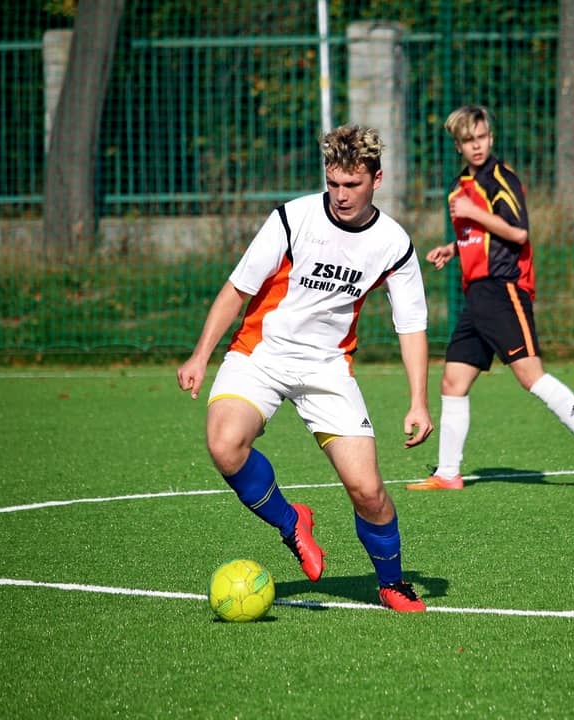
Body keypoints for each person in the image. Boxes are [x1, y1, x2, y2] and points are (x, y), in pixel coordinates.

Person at [177, 125, 434, 612]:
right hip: (260, 355)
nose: (340, 195)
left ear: (377, 179)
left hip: (328, 369)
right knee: (224, 444)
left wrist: (418, 401)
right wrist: (200, 354)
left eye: (352, 184)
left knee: (367, 490)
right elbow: (237, 289)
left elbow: (411, 326)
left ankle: (392, 583)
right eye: (332, 183)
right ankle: (291, 522)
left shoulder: (393, 243)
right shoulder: (292, 219)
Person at [406, 104, 574, 491]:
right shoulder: (458, 185)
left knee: (530, 375)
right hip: (477, 294)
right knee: (453, 381)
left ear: (491, 137)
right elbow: (480, 236)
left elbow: (518, 233)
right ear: (458, 145)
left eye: (482, 137)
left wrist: (473, 212)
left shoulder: (501, 178)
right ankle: (448, 473)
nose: (477, 146)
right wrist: (453, 248)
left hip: (504, 287)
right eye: (468, 140)